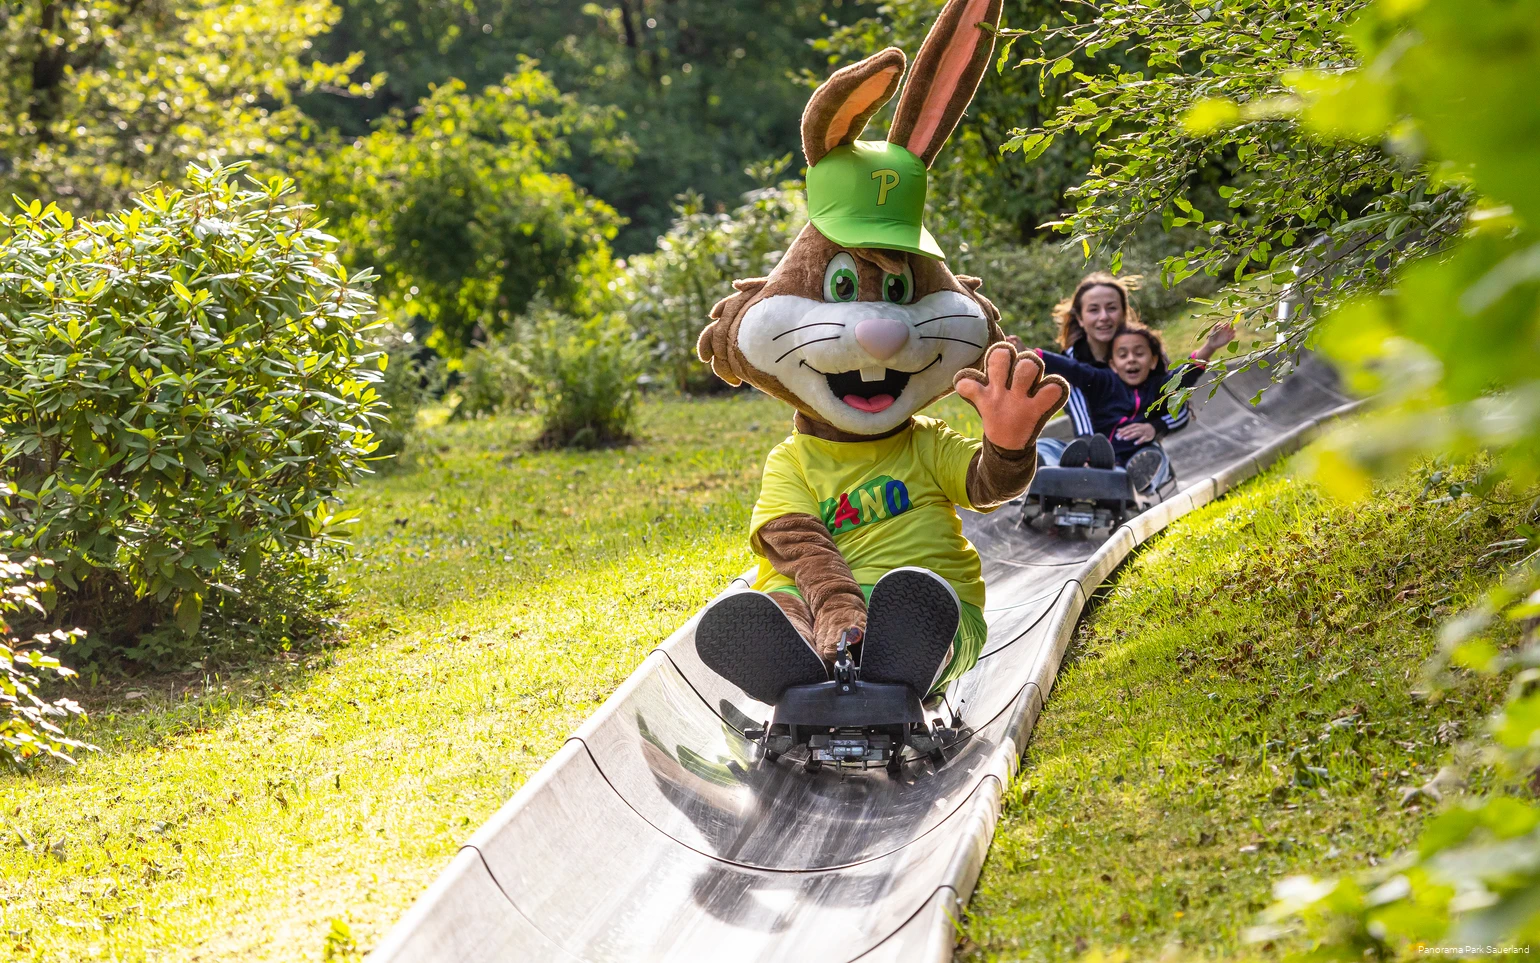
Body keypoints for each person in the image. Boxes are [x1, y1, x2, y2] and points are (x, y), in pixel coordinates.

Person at [1033, 321, 1237, 493]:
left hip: (1133, 454)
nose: (1131, 359)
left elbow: (1185, 375)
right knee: (1045, 446)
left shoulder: (1159, 386)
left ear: (1152, 360)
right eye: (1123, 355)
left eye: (1139, 353)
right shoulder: (1103, 381)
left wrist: (1209, 347)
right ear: (1113, 364)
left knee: (1154, 457)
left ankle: (1130, 478)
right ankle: (1057, 468)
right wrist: (1033, 353)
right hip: (1094, 451)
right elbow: (1072, 368)